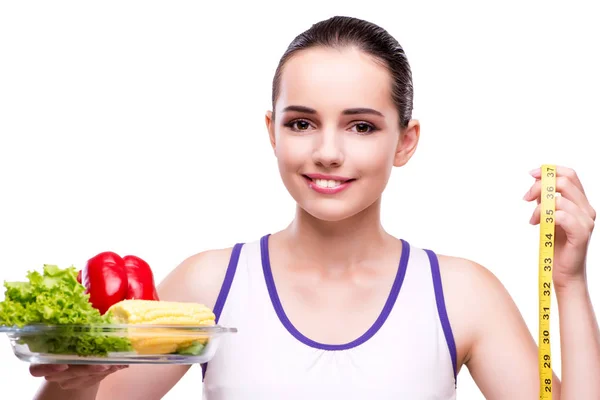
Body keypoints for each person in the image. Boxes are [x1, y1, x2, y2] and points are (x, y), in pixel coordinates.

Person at [30, 16, 599, 400]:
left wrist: (570, 283)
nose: (328, 153)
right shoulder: (209, 286)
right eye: (301, 123)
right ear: (272, 132)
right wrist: (69, 383)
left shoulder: (460, 293)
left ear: (405, 140)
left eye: (360, 126)